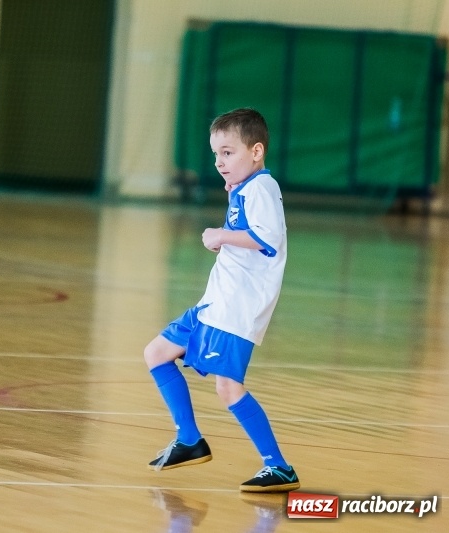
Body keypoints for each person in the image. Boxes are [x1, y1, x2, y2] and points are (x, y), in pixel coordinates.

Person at [144, 108, 299, 493]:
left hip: (235, 310)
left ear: (257, 151)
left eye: (228, 153)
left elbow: (268, 240)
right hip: (216, 302)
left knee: (228, 388)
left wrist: (221, 234)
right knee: (157, 353)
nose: (219, 162)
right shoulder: (246, 190)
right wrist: (229, 229)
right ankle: (189, 440)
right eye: (216, 155)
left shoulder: (261, 188)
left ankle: (278, 466)